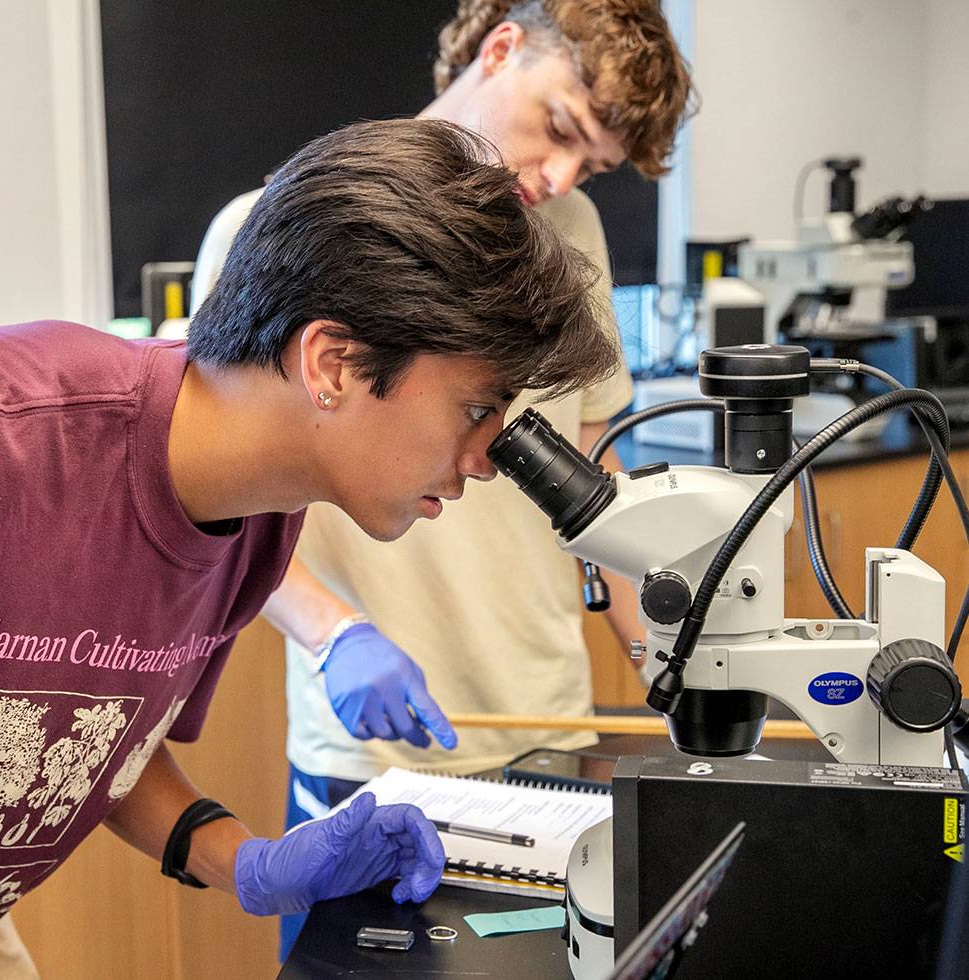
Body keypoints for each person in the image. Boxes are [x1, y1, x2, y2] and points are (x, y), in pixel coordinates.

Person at [0, 118, 618, 977]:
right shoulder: (15, 443)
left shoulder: (258, 516)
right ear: (332, 363)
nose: (487, 459)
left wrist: (243, 861)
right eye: (477, 408)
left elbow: (85, 730)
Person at [190, 0, 693, 959]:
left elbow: (593, 479)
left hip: (545, 724)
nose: (558, 177)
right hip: (375, 761)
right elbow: (219, 505)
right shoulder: (285, 227)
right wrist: (336, 637)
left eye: (591, 165)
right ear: (501, 50)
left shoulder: (572, 231)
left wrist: (658, 650)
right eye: (560, 133)